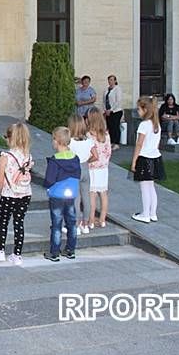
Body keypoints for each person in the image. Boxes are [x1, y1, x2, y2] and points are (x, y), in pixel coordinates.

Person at [0, 122, 33, 265]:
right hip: (24, 194)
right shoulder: (28, 156)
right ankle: (17, 255)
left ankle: (0, 251)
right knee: (19, 223)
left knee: (3, 222)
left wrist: (0, 191)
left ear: (10, 138)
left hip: (8, 193)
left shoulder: (5, 156)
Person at [43, 126, 81, 262]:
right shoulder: (75, 159)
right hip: (71, 195)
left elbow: (49, 179)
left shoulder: (55, 161)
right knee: (71, 222)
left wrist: (46, 186)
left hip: (56, 195)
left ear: (57, 141)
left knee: (57, 224)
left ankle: (54, 252)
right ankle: (71, 250)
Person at [131, 97, 165, 224]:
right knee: (151, 186)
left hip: (144, 158)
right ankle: (152, 213)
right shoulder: (156, 124)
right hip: (155, 157)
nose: (138, 111)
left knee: (145, 187)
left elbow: (139, 144)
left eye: (139, 109)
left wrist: (134, 161)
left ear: (145, 109)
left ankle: (145, 214)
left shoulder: (144, 125)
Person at [68, 114, 97, 234]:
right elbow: (96, 156)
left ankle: (76, 223)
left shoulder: (70, 142)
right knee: (86, 197)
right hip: (85, 167)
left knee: (75, 198)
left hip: (74, 168)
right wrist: (87, 161)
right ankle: (85, 223)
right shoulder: (89, 141)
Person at [86, 108, 112, 229]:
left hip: (92, 167)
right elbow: (109, 151)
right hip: (103, 168)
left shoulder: (89, 135)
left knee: (92, 195)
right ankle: (102, 219)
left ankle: (91, 220)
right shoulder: (106, 135)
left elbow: (89, 153)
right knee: (103, 193)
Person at [103, 75, 123, 150]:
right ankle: (111, 142)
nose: (110, 81)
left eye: (111, 80)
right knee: (110, 127)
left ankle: (117, 143)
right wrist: (105, 110)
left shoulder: (117, 89)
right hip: (108, 111)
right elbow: (104, 101)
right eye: (109, 80)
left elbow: (118, 101)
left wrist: (111, 109)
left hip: (116, 111)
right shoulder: (106, 90)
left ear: (115, 81)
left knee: (115, 126)